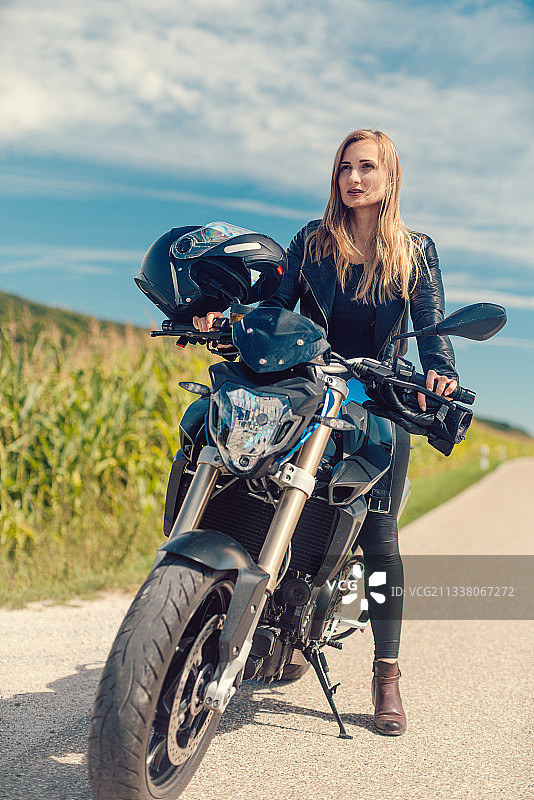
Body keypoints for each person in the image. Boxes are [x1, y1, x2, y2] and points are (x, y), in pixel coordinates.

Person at [193, 128, 459, 736]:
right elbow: (274, 302)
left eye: (367, 167)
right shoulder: (312, 241)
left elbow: (432, 327)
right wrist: (226, 317)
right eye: (344, 167)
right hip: (310, 387)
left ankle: (386, 672)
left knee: (381, 538)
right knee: (249, 479)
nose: (353, 178)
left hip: (380, 396)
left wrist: (439, 372)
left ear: (390, 179)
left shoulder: (414, 253)